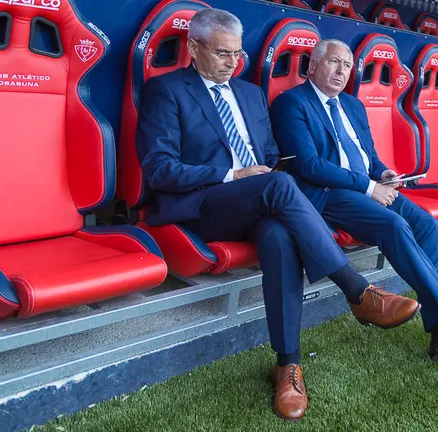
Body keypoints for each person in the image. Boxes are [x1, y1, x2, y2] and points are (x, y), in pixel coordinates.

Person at [136, 10, 420, 422]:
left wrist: (258, 177)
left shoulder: (250, 95)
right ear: (193, 48)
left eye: (237, 55)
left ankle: (288, 365)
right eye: (221, 54)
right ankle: (357, 291)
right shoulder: (166, 91)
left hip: (260, 202)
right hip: (203, 204)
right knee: (278, 185)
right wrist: (233, 174)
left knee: (279, 235)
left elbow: (270, 158)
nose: (232, 63)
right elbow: (159, 169)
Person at [270, 39, 438, 364]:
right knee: (394, 224)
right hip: (327, 193)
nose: (341, 71)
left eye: (347, 65)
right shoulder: (292, 103)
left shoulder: (353, 105)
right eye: (333, 62)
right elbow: (309, 166)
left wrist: (383, 174)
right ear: (313, 66)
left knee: (425, 224)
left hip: (366, 187)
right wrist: (370, 187)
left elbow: (370, 157)